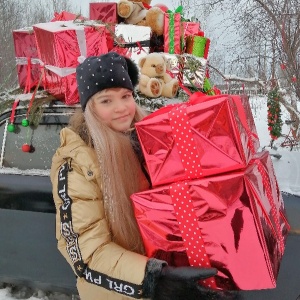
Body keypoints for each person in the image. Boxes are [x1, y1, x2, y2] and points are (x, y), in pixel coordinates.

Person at [50, 52, 241, 300]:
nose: (121, 108)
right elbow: (88, 255)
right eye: (106, 101)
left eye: (126, 96)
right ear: (90, 108)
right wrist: (155, 280)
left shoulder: (148, 144)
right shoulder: (76, 165)